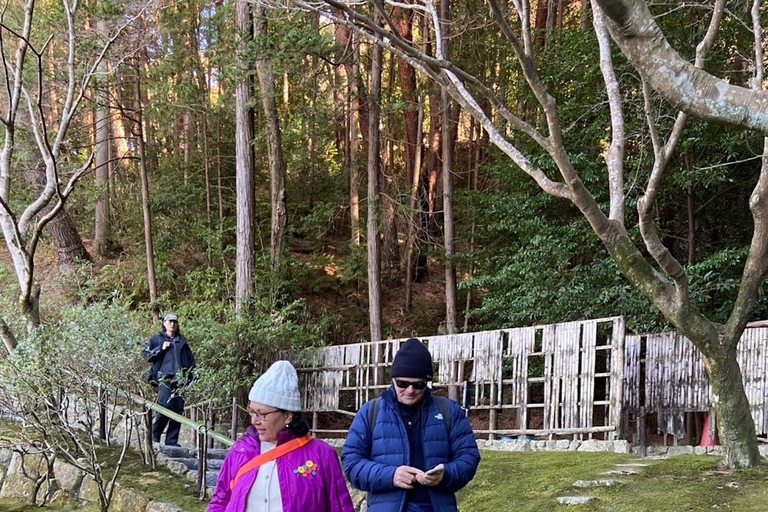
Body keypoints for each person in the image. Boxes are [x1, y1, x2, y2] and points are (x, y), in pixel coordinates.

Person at [342, 338, 480, 512]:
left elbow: (469, 457)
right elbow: (352, 463)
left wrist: (446, 474)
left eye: (418, 385)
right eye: (403, 384)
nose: (410, 390)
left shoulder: (449, 410)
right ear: (393, 379)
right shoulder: (371, 411)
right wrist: (391, 476)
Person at [208, 360, 355, 512]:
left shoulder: (321, 454)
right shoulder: (240, 451)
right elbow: (220, 501)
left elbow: (340, 506)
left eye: (262, 414)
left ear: (288, 416)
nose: (254, 421)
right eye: (252, 411)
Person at [143, 313, 196, 447]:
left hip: (180, 379)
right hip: (164, 378)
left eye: (175, 322)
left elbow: (191, 362)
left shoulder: (182, 342)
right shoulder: (157, 339)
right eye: (170, 321)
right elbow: (147, 355)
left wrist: (192, 378)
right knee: (164, 406)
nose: (172, 324)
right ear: (164, 324)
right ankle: (155, 435)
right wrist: (161, 348)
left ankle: (171, 441)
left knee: (178, 409)